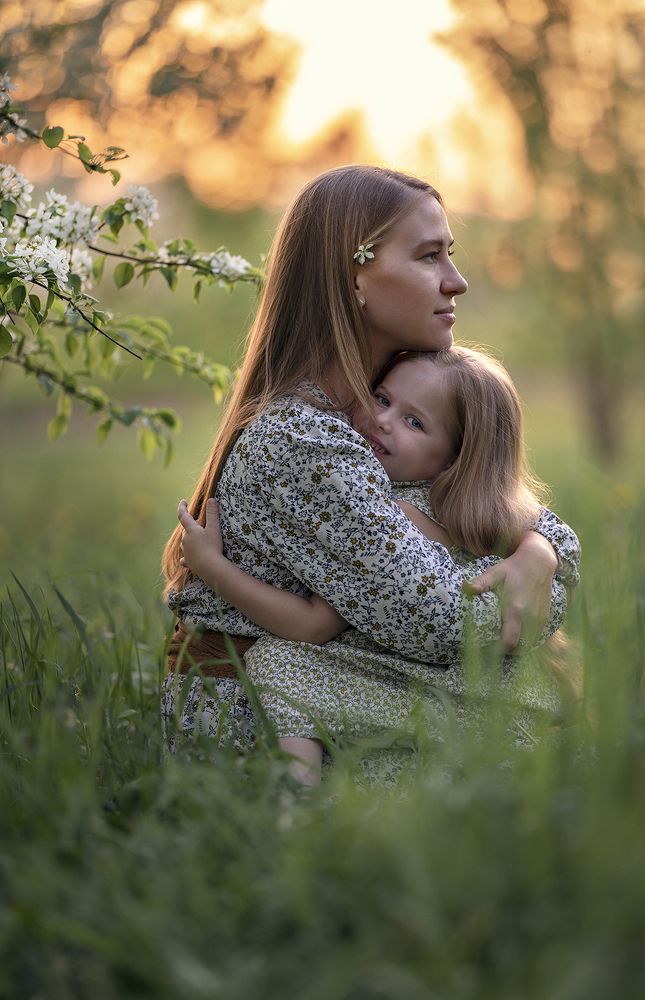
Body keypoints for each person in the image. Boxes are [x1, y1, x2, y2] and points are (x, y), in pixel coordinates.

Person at [161, 165, 580, 780]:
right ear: (354, 274)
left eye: (451, 254)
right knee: (536, 755)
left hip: (355, 694)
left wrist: (539, 553)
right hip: (257, 726)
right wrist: (539, 596)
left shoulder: (375, 413)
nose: (457, 281)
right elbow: (440, 624)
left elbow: (507, 510)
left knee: (541, 765)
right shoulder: (302, 442)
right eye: (429, 256)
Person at [177, 345, 576, 783]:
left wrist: (213, 568)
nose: (383, 420)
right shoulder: (487, 515)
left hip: (431, 686)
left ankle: (297, 795)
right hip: (487, 690)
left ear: (454, 456)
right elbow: (550, 534)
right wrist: (540, 549)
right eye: (382, 399)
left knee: (280, 663)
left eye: (414, 422)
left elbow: (313, 626)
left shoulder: (392, 515)